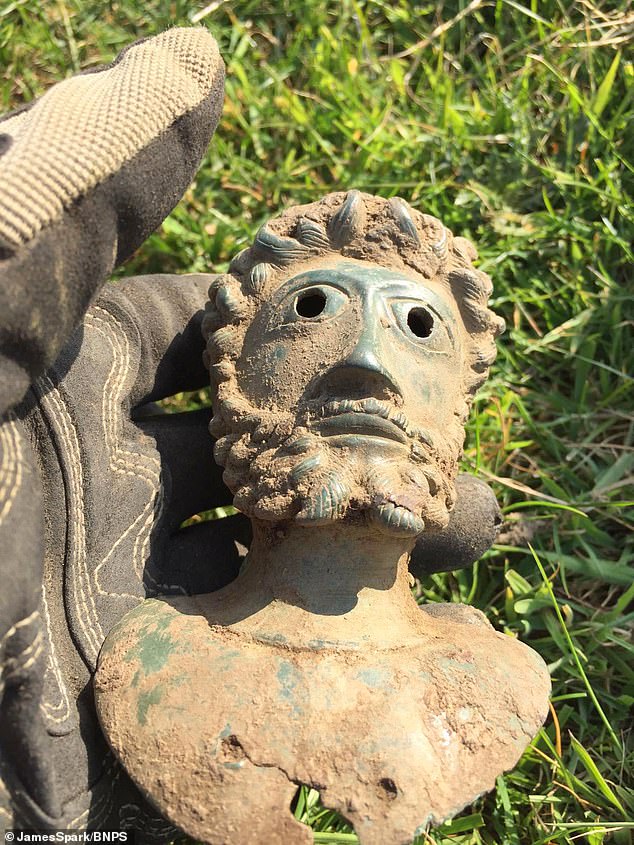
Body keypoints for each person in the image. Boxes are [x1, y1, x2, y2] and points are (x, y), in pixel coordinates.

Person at [0, 30, 501, 835]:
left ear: (460, 405)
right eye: (315, 312)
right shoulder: (140, 661)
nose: (365, 364)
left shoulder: (494, 681)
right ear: (229, 380)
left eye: (417, 327)